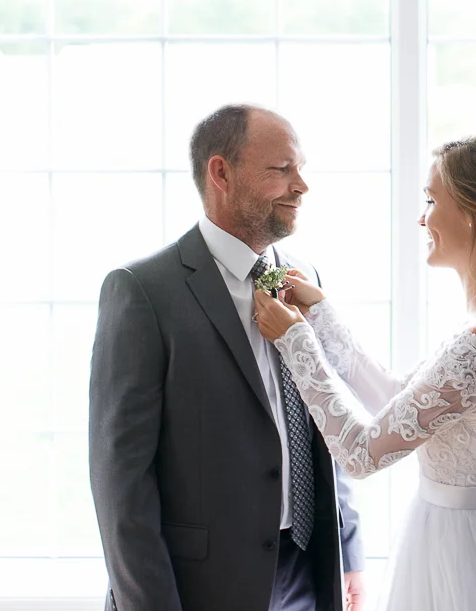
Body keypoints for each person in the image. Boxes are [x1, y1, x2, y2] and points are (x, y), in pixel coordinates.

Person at [252, 129, 476, 611]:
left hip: (465, 563)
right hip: (470, 542)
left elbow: (361, 453)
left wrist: (296, 343)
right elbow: (399, 399)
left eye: (431, 200)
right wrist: (320, 316)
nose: (422, 217)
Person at [89, 104, 365, 611]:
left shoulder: (304, 278)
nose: (301, 185)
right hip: (202, 587)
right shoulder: (143, 291)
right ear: (222, 173)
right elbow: (121, 483)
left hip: (311, 576)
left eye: (301, 168)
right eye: (282, 169)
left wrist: (349, 552)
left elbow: (326, 419)